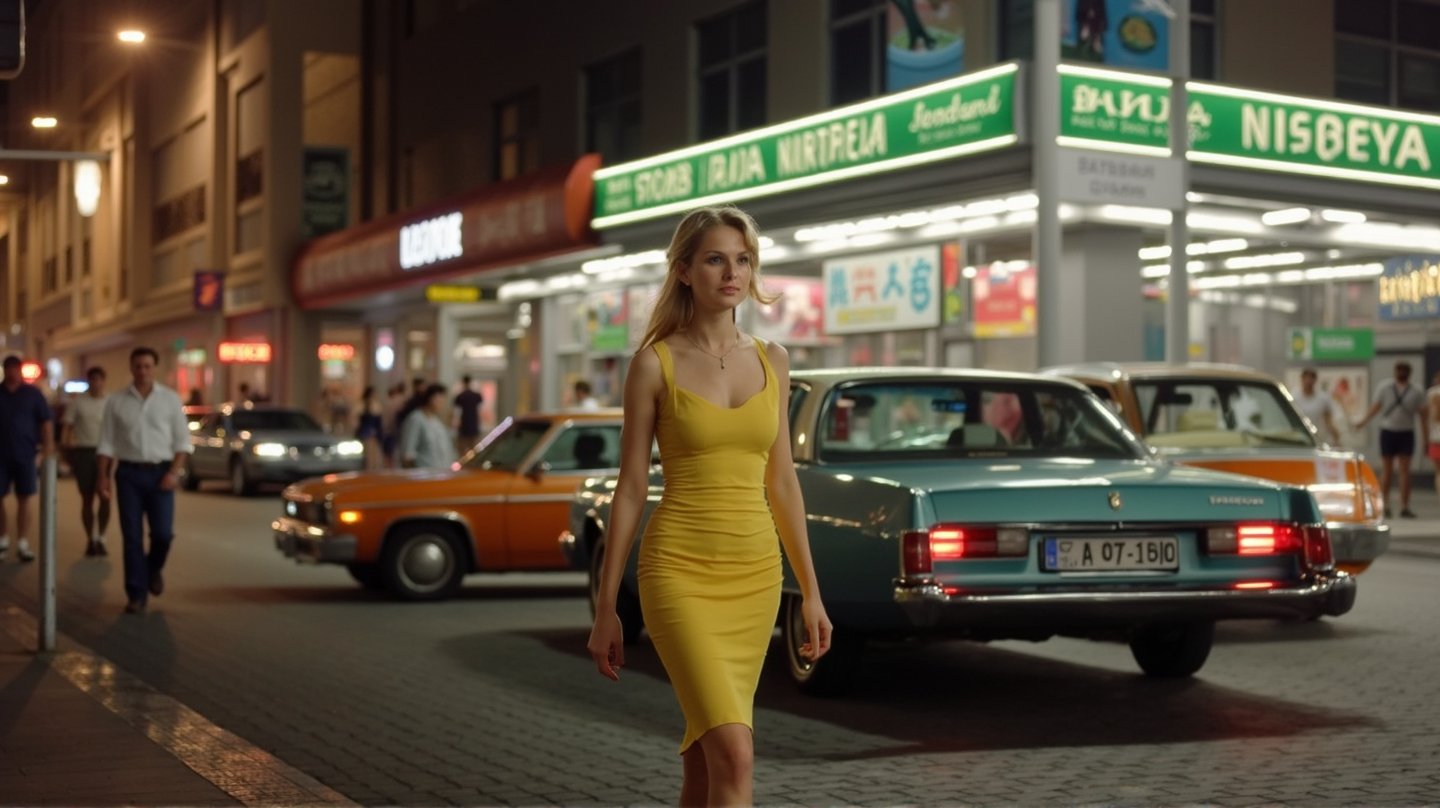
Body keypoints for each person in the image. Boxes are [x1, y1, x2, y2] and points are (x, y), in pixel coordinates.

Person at [587, 206, 832, 806]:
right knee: (735, 751)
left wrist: (812, 591)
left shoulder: (773, 359)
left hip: (755, 576)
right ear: (684, 271)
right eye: (716, 259)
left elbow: (782, 483)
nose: (733, 272)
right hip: (679, 571)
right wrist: (607, 605)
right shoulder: (654, 363)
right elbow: (631, 488)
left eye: (743, 259)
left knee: (705, 756)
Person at [96, 348, 192, 614]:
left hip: (161, 473)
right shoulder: (116, 402)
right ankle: (136, 594)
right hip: (128, 474)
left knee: (162, 534)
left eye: (147, 366)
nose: (142, 371)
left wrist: (174, 472)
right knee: (132, 537)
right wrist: (103, 477)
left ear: (155, 368)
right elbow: (106, 443)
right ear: (131, 368)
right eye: (138, 366)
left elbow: (182, 442)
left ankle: (153, 569)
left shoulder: (170, 400)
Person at [1354, 360, 1429, 519]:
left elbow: (1423, 416)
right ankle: (1385, 504)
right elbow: (1376, 407)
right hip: (1388, 431)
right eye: (1399, 370)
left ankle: (1404, 505)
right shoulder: (1385, 387)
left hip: (1406, 432)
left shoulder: (1416, 391)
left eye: (1404, 370)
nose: (1401, 373)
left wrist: (1426, 438)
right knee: (1387, 470)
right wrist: (1363, 422)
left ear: (1409, 373)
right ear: (1395, 371)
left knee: (1405, 471)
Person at [0, 355, 55, 563]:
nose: (12, 372)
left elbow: (46, 423)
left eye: (16, 368)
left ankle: (22, 541)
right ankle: (3, 538)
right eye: (9, 368)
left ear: (20, 370)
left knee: (25, 497)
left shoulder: (32, 394)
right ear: (5, 370)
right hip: (1, 457)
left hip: (25, 454)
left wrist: (47, 450)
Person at [62, 366, 112, 556]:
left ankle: (102, 537)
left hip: (105, 452)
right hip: (84, 451)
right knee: (87, 498)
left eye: (99, 379)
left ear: (103, 381)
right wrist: (66, 448)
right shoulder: (78, 402)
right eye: (92, 379)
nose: (96, 383)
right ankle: (90, 538)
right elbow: (67, 426)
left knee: (105, 496)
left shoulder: (110, 401)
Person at [398, 383, 456, 470]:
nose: (441, 404)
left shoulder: (438, 422)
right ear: (430, 399)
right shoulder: (416, 419)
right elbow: (408, 453)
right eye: (438, 400)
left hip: (442, 473)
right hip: (423, 474)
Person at [1292, 367, 1342, 445]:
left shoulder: (1323, 398)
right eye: (1306, 377)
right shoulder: (1294, 397)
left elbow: (1328, 421)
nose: (1308, 381)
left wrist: (1336, 437)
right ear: (1302, 379)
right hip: (1300, 439)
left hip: (1319, 439)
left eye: (1311, 377)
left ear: (1315, 380)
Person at [354, 386, 385, 470]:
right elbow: (357, 419)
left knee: (376, 455)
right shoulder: (362, 405)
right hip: (365, 431)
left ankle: (374, 468)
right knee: (367, 454)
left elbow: (379, 420)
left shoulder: (376, 405)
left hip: (375, 432)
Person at [453, 375, 485, 453]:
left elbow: (456, 411)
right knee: (474, 448)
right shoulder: (476, 395)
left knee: (462, 449)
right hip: (473, 423)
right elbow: (480, 409)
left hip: (464, 423)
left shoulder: (460, 396)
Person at [381, 382, 407, 467]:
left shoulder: (388, 402)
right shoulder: (402, 401)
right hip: (396, 430)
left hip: (388, 430)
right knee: (395, 455)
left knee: (388, 455)